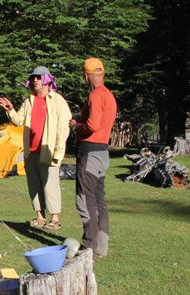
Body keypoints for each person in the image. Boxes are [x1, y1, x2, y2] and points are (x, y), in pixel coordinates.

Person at [0, 66, 71, 230]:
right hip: (31, 151)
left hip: (49, 151)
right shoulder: (29, 100)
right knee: (34, 184)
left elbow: (63, 128)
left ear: (47, 79)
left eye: (38, 77)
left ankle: (55, 218)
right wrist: (10, 109)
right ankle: (39, 216)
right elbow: (18, 120)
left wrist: (58, 152)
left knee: (50, 184)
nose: (35, 80)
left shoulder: (58, 101)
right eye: (33, 78)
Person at [69, 57, 117, 258]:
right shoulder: (109, 95)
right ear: (102, 73)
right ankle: (101, 247)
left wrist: (75, 125)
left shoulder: (96, 96)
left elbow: (93, 125)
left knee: (84, 197)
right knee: (99, 200)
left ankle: (89, 247)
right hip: (103, 152)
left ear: (86, 75)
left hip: (90, 151)